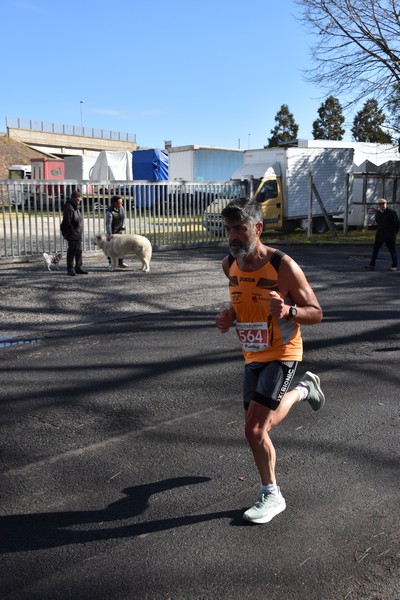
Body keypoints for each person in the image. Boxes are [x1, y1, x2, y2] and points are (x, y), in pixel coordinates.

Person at [215, 198, 325, 525]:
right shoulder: (230, 265)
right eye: (229, 229)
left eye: (240, 229)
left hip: (283, 352)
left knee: (253, 428)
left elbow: (316, 313)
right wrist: (229, 315)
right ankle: (305, 390)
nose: (233, 236)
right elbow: (243, 303)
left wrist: (290, 310)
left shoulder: (283, 267)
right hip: (253, 354)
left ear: (257, 228)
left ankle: (272, 494)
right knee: (266, 423)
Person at [365, 198, 400, 271]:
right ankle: (372, 265)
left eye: (383, 204)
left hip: (390, 235)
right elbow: (378, 223)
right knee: (375, 250)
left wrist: (394, 233)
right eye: (380, 204)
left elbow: (397, 224)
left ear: (386, 204)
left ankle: (394, 266)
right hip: (380, 234)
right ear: (378, 205)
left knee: (392, 250)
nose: (382, 205)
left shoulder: (391, 213)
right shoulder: (377, 213)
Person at [61, 190, 88, 276]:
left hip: (77, 232)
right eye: (78, 199)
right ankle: (70, 269)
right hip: (72, 233)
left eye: (80, 199)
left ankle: (78, 267)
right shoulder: (69, 207)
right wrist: (67, 233)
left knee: (79, 251)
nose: (79, 201)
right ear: (73, 199)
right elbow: (66, 222)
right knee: (72, 251)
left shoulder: (75, 206)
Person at [105, 195, 128, 269]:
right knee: (111, 248)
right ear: (114, 203)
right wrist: (109, 234)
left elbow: (124, 217)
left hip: (120, 231)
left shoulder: (121, 208)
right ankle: (111, 263)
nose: (121, 204)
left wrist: (123, 225)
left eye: (121, 203)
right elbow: (108, 224)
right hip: (112, 231)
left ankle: (120, 262)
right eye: (119, 203)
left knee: (121, 247)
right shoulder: (109, 211)